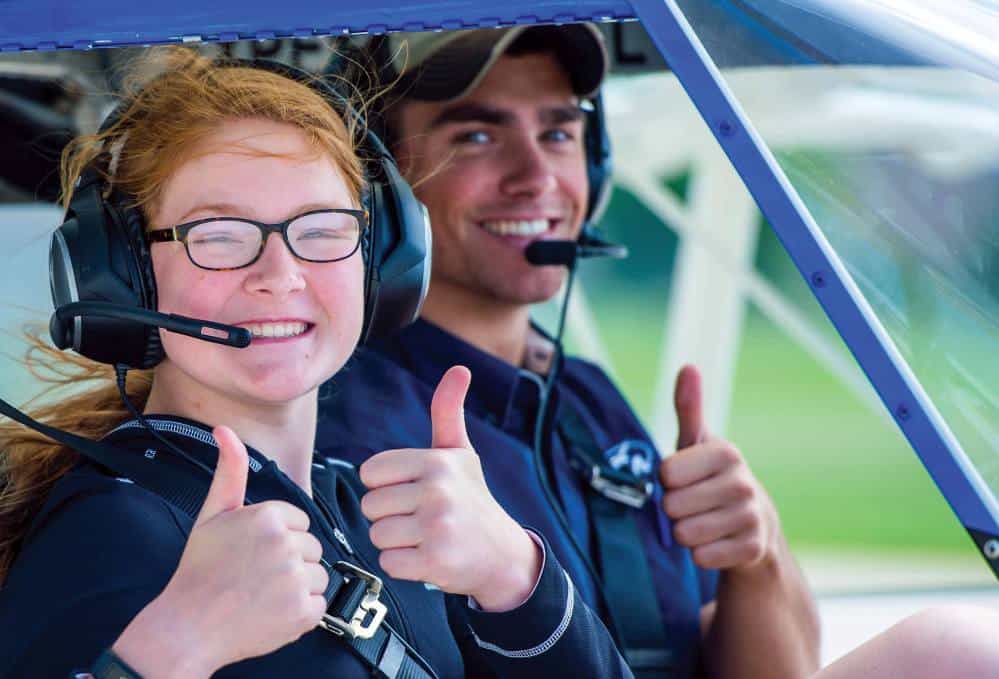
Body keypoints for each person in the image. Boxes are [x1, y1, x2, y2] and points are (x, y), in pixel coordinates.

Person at [317, 23, 999, 679]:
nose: (536, 175)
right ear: (380, 182)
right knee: (954, 649)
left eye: (558, 133)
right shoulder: (351, 427)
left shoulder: (586, 402)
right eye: (476, 136)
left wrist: (754, 554)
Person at [0, 47, 633, 679]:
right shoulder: (111, 534)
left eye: (322, 230)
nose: (280, 275)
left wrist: (516, 578)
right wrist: (170, 651)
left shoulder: (374, 513)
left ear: (381, 260)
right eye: (219, 236)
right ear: (124, 276)